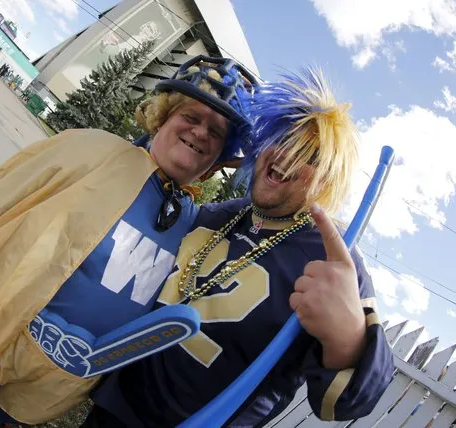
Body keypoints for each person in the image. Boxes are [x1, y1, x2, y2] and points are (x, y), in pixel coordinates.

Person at [0, 56, 257, 427]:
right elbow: (7, 208)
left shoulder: (192, 220)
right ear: (162, 116)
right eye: (191, 117)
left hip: (71, 364)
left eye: (216, 132)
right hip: (11, 319)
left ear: (219, 158)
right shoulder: (93, 150)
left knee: (13, 412)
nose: (200, 133)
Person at [84, 68, 396, 427]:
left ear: (327, 181)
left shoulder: (336, 262)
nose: (288, 158)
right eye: (283, 140)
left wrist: (350, 340)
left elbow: (347, 405)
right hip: (113, 407)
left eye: (309, 157)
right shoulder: (215, 214)